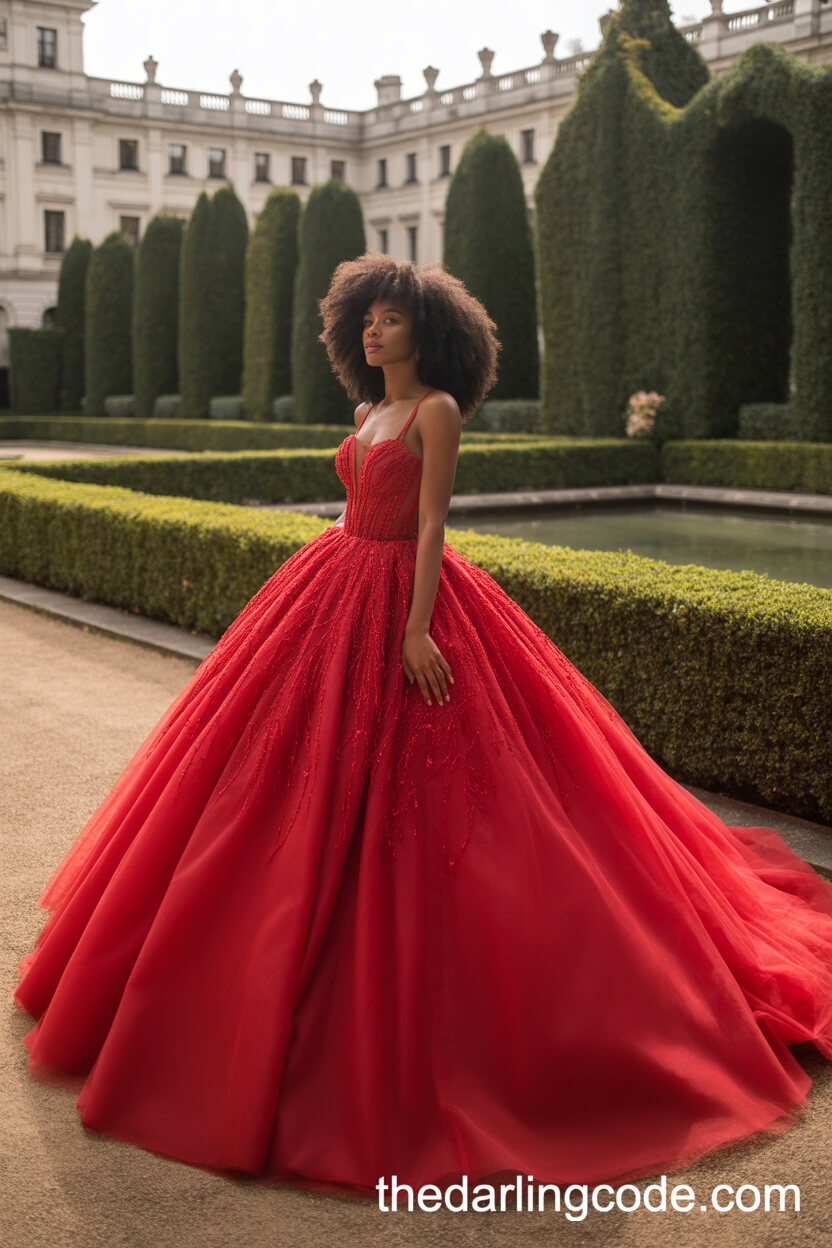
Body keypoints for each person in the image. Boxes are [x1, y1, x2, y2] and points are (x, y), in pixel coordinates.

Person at [13, 252, 832, 1201]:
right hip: (335, 585)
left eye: (394, 319)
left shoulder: (438, 410)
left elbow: (436, 523)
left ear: (429, 333)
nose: (376, 330)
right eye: (368, 318)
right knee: (268, 786)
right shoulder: (365, 414)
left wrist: (414, 626)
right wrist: (329, 563)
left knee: (452, 797)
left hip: (408, 598)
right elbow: (358, 501)